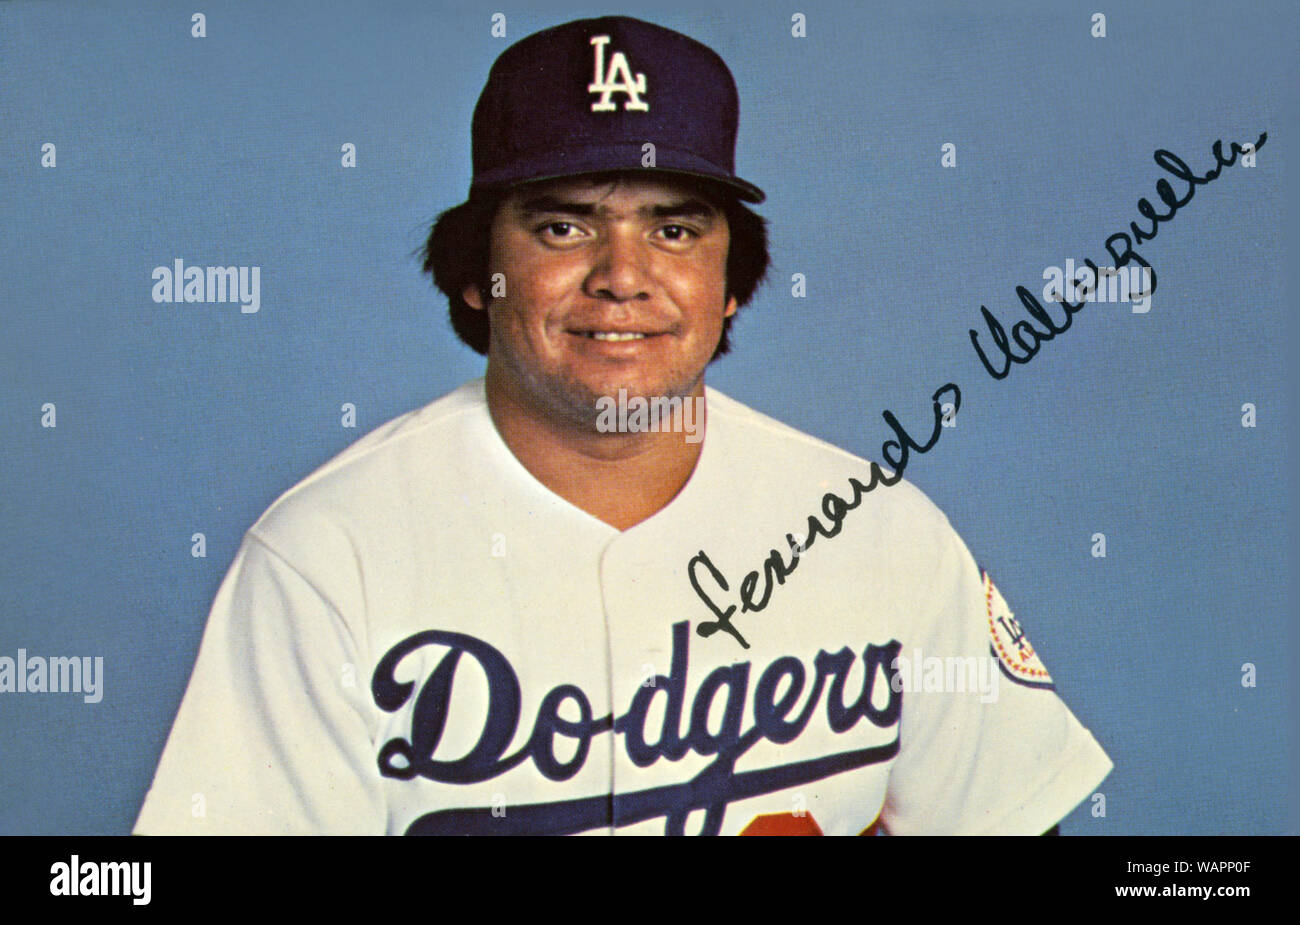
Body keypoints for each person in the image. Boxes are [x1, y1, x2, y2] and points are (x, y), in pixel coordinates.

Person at [135, 15, 1111, 836]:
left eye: (674, 228)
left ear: (731, 282)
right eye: (563, 226)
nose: (623, 275)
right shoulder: (328, 554)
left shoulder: (873, 526)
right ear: (478, 271)